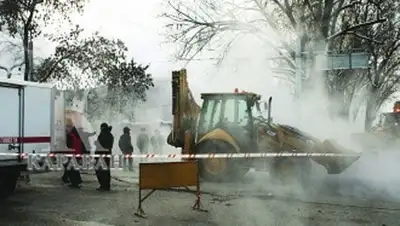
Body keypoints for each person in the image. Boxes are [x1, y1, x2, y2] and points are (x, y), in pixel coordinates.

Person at [95, 123, 114, 191]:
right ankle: (106, 185)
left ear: (102, 128)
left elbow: (100, 145)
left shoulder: (104, 135)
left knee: (101, 171)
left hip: (102, 155)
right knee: (105, 171)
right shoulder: (109, 135)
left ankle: (104, 185)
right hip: (106, 155)